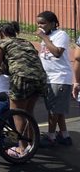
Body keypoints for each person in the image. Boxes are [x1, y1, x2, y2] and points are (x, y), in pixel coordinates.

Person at [0, 21, 47, 157]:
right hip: (40, 77)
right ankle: (31, 144)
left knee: (17, 113)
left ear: (2, 33)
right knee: (29, 112)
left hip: (21, 78)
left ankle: (21, 149)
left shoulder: (2, 44)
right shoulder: (26, 42)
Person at [37, 10, 74, 146]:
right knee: (57, 110)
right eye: (38, 23)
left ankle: (50, 137)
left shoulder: (60, 35)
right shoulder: (47, 36)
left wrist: (44, 38)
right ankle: (64, 135)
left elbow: (58, 53)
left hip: (59, 78)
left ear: (52, 23)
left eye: (43, 23)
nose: (40, 26)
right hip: (49, 78)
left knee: (53, 111)